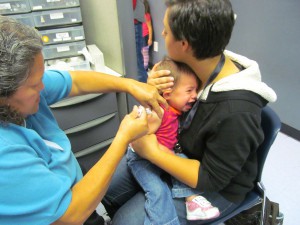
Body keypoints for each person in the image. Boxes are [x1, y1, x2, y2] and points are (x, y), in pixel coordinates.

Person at [102, 0, 277, 224]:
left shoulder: (236, 110)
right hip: (178, 148)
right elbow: (172, 111)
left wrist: (154, 153)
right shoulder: (193, 63)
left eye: (166, 30)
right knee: (107, 189)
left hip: (215, 184)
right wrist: (154, 88)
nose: (162, 33)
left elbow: (211, 178)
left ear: (184, 44)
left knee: (125, 221)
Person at [0, 16, 167, 225]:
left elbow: (75, 82)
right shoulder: (5, 154)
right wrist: (122, 138)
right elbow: (69, 216)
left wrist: (130, 85)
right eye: (35, 85)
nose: (43, 87)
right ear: (4, 94)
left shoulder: (27, 86)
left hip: (75, 189)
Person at [127, 57, 220, 224]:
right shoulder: (157, 113)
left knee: (185, 165)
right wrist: (155, 146)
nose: (194, 96)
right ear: (168, 94)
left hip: (164, 154)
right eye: (189, 91)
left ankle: (192, 201)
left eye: (196, 90)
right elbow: (136, 139)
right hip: (142, 160)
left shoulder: (176, 109)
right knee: (158, 191)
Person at [133, 0, 148, 83]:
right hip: (135, 23)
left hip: (134, 22)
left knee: (138, 62)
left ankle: (144, 88)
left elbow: (132, 5)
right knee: (138, 61)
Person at [142, 0, 153, 71]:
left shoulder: (147, 15)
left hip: (146, 36)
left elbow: (150, 27)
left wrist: (150, 39)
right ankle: (144, 67)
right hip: (141, 35)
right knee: (142, 53)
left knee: (145, 52)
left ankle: (145, 68)